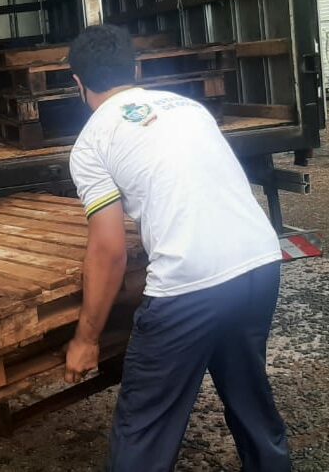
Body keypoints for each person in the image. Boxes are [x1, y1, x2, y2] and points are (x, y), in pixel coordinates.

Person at [62, 24, 291, 472]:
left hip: (189, 287)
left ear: (77, 83)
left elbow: (109, 250)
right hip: (260, 262)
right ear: (135, 69)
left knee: (146, 423)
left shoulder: (92, 140)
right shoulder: (190, 109)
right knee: (247, 390)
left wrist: (85, 339)